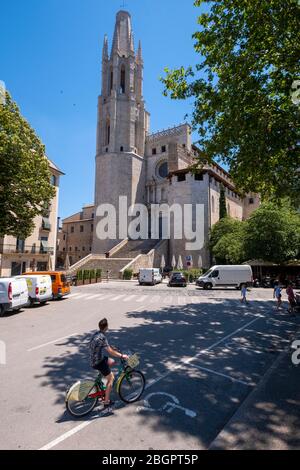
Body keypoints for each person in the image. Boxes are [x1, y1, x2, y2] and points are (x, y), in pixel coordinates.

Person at [89, 318, 128, 410]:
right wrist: (121, 355)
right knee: (112, 378)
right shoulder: (102, 337)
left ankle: (103, 380)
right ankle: (106, 402)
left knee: (112, 361)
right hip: (98, 362)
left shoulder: (97, 334)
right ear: (106, 327)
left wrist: (111, 347)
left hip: (93, 359)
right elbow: (110, 352)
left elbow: (105, 346)